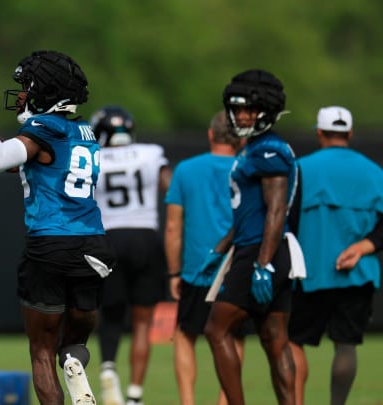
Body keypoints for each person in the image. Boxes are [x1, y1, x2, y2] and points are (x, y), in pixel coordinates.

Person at [0, 50, 116, 405]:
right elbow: (14, 163)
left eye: (27, 87)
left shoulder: (42, 127)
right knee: (73, 344)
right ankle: (75, 365)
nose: (21, 95)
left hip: (51, 243)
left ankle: (67, 371)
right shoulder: (84, 131)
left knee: (41, 352)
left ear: (45, 93)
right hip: (94, 245)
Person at [202, 69, 298, 405]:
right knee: (274, 339)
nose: (243, 116)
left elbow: (275, 210)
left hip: (262, 250)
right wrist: (221, 247)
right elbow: (252, 210)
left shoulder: (267, 149)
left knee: (217, 330)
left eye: (251, 110)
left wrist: (261, 264)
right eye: (238, 109)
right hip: (267, 248)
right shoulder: (256, 147)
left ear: (267, 110)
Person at [287, 106, 383, 405]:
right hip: (357, 273)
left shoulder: (300, 169)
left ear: (319, 132)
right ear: (350, 134)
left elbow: (284, 219)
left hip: (307, 273)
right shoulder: (374, 171)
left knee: (293, 341)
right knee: (346, 346)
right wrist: (364, 247)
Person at [89, 105, 171, 405]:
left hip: (108, 237)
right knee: (142, 322)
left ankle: (109, 367)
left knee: (109, 316)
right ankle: (135, 396)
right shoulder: (150, 153)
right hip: (145, 236)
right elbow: (171, 190)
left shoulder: (92, 157)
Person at [164, 111, 246, 405]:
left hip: (197, 269)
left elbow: (173, 227)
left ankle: (188, 402)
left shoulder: (186, 170)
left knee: (186, 335)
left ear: (211, 135)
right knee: (233, 336)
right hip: (237, 268)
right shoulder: (247, 167)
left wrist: (174, 273)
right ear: (240, 138)